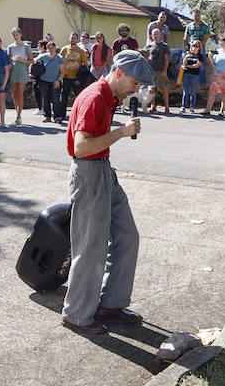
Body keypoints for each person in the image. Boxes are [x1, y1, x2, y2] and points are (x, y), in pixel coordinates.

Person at [60, 49, 153, 335]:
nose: (135, 91)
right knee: (91, 247)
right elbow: (81, 147)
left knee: (127, 236)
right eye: (134, 84)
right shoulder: (94, 98)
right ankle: (76, 314)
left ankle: (110, 304)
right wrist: (121, 133)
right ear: (119, 73)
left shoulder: (109, 96)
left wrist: (117, 134)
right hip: (89, 172)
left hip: (102, 170)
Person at [7, 27, 33, 124]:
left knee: (20, 94)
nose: (15, 36)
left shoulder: (26, 46)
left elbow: (32, 61)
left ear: (20, 34)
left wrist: (21, 60)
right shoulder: (10, 47)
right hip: (13, 71)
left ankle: (18, 117)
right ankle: (17, 115)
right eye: (13, 35)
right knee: (14, 95)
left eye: (17, 34)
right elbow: (8, 60)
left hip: (22, 71)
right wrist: (12, 59)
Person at [143, 27, 172, 114]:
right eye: (154, 34)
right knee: (152, 89)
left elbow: (167, 60)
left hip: (161, 71)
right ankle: (153, 105)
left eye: (157, 34)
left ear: (161, 35)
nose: (155, 36)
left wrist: (165, 71)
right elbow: (144, 55)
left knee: (164, 89)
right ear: (152, 36)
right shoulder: (149, 45)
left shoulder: (165, 46)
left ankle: (167, 107)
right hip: (151, 71)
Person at [35, 39, 65, 122]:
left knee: (56, 99)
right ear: (47, 49)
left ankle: (58, 116)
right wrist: (37, 63)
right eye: (49, 48)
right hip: (44, 81)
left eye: (52, 48)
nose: (51, 49)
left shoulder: (60, 58)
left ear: (55, 48)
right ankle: (47, 116)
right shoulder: (44, 56)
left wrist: (58, 80)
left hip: (55, 81)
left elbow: (62, 72)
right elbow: (34, 61)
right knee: (46, 99)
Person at [180, 39, 205, 113]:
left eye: (196, 46)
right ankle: (183, 107)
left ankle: (192, 107)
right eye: (193, 45)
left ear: (199, 48)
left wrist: (188, 66)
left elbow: (197, 66)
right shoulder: (187, 53)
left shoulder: (200, 56)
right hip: (186, 74)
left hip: (195, 75)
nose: (194, 47)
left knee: (193, 92)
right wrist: (186, 57)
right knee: (186, 91)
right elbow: (183, 64)